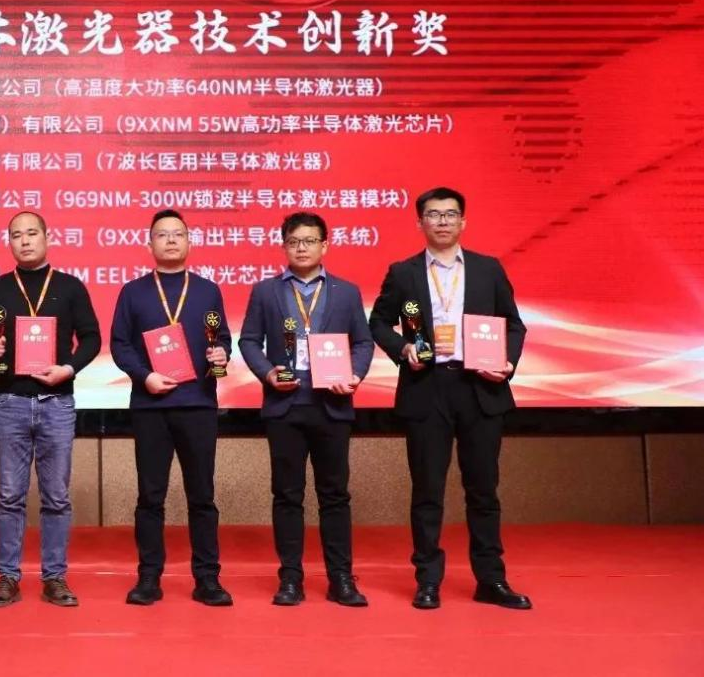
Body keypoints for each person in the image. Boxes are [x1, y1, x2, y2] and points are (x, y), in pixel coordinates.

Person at [368, 187, 531, 610]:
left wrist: (507, 362)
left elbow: (514, 324)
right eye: (433, 214)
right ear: (419, 222)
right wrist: (402, 349)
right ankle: (428, 580)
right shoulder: (403, 273)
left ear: (463, 221)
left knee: (484, 490)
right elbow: (378, 322)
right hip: (427, 387)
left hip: (481, 386)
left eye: (450, 214)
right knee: (428, 491)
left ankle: (491, 580)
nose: (442, 221)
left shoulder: (488, 269)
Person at [239, 212, 374, 608]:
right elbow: (249, 341)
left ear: (324, 245)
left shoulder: (346, 292)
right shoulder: (266, 291)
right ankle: (290, 578)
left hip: (332, 405)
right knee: (287, 495)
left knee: (335, 496)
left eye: (310, 241)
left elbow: (363, 342)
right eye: (294, 241)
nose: (302, 248)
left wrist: (354, 374)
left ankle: (341, 579)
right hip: (285, 406)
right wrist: (267, 373)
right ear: (284, 246)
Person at [0, 211, 101, 607]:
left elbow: (91, 338)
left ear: (47, 237)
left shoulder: (70, 287)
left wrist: (68, 369)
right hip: (10, 401)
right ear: (9, 242)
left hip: (57, 402)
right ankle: (7, 577)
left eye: (31, 233)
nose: (24, 241)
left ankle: (54, 577)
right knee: (10, 494)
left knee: (56, 495)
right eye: (16, 235)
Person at [109, 209, 233, 607]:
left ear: (189, 241)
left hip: (198, 404)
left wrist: (221, 352)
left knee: (202, 496)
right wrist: (144, 376)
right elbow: (119, 344)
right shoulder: (133, 292)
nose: (171, 240)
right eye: (162, 235)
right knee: (150, 496)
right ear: (150, 244)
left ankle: (207, 578)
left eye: (178, 234)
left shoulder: (208, 290)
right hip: (151, 405)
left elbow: (222, 338)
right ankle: (149, 577)